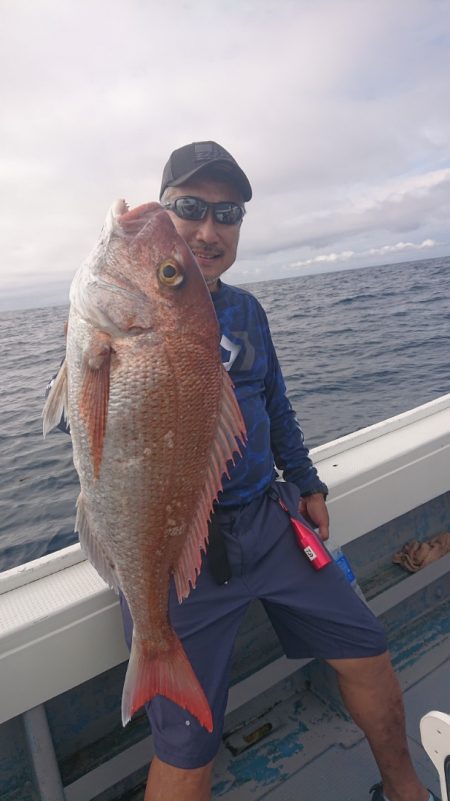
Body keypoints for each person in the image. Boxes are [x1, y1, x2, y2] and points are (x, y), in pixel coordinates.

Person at [49, 141, 439, 801]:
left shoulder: (248, 313)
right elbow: (75, 427)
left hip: (270, 520)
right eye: (190, 209)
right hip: (175, 557)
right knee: (187, 742)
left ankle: (406, 790)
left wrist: (308, 480)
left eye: (227, 215)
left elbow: (276, 406)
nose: (208, 229)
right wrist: (87, 345)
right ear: (168, 212)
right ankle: (160, 658)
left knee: (368, 649)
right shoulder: (104, 330)